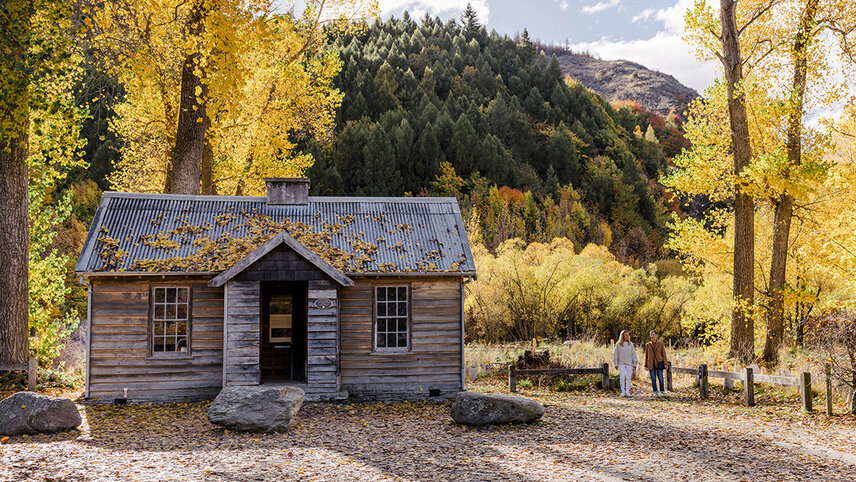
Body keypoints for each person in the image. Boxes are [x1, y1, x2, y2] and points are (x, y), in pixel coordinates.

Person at [613, 330, 638, 398]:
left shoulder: (631, 344)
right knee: (622, 377)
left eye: (628, 335)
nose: (627, 336)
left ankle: (627, 392)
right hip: (621, 363)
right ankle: (623, 392)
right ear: (622, 336)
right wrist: (616, 363)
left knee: (629, 378)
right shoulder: (618, 344)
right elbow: (616, 354)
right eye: (626, 335)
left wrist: (635, 363)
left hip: (629, 363)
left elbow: (633, 354)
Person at [644, 330, 669, 397]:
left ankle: (662, 391)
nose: (652, 336)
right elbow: (646, 355)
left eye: (653, 335)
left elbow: (664, 354)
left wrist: (665, 363)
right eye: (651, 335)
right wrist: (645, 365)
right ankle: (655, 391)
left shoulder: (660, 344)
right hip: (651, 363)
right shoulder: (648, 345)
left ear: (656, 336)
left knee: (660, 378)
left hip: (659, 363)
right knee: (653, 378)